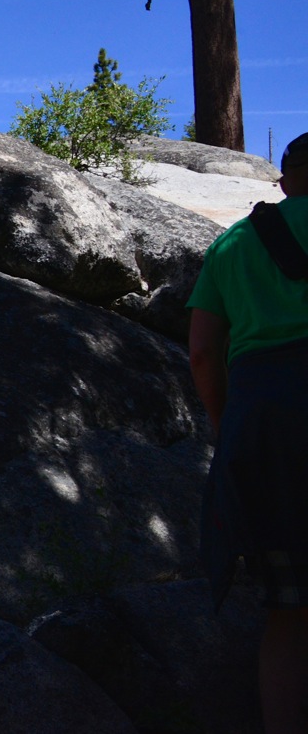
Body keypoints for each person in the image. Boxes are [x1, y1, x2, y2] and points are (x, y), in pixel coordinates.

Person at [189, 131, 308, 734]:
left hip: (266, 428)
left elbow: (205, 353)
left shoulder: (235, 242)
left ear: (285, 180)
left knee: (289, 614)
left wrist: (225, 427)